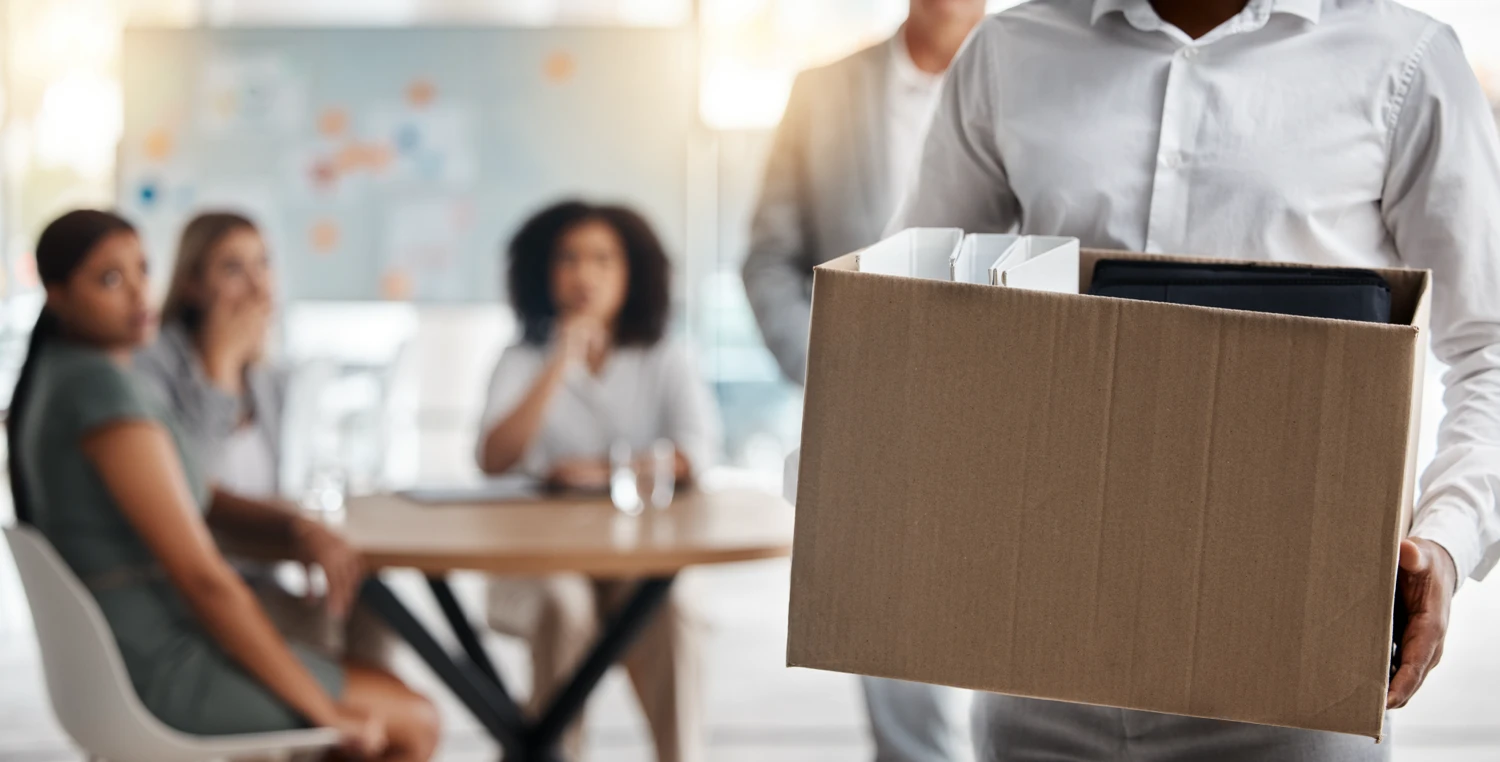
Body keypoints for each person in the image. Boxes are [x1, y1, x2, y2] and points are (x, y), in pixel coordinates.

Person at [893, 0, 1500, 759]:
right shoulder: (1011, 51)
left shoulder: (1405, 59)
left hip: (1296, 682)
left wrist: (1445, 539)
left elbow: (1489, 349)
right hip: (1044, 670)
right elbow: (914, 317)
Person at [9, 210, 439, 760]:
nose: (139, 293)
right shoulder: (103, 398)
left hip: (140, 645)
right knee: (415, 720)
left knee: (371, 668)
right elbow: (204, 579)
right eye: (110, 280)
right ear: (58, 295)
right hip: (159, 662)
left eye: (142, 270)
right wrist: (324, 711)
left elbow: (197, 498)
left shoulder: (73, 376)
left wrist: (293, 525)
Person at [741, 1, 987, 760]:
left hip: (1004, 396)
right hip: (868, 407)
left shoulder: (1036, 77)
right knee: (886, 637)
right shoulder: (823, 92)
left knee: (1021, 636)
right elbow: (769, 255)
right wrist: (828, 372)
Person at [476, 201, 720, 762]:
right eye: (568, 259)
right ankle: (554, 753)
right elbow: (493, 457)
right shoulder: (521, 359)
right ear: (544, 272)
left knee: (674, 606)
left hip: (636, 561)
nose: (585, 275)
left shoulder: (665, 358)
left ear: (632, 273)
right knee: (564, 606)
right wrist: (560, 360)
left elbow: (695, 455)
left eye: (603, 260)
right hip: (539, 565)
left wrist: (598, 472)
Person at [135, 211, 392, 670]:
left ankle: (360, 734)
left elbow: (285, 481)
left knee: (373, 605)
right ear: (192, 284)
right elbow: (188, 491)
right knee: (314, 627)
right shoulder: (153, 366)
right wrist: (217, 370)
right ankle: (342, 723)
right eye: (233, 269)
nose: (258, 287)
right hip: (191, 584)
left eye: (264, 265)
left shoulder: (267, 376)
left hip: (259, 568)